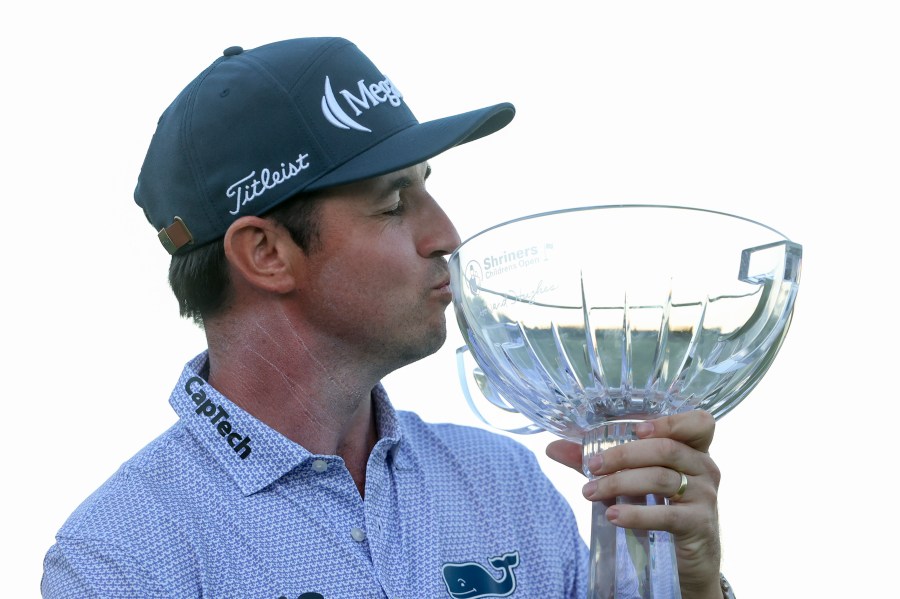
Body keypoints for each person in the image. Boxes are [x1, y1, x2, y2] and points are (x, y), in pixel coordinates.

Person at [41, 37, 729, 598]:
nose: (447, 236)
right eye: (394, 201)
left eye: (428, 189)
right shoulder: (123, 556)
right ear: (265, 252)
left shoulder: (503, 482)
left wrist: (689, 585)